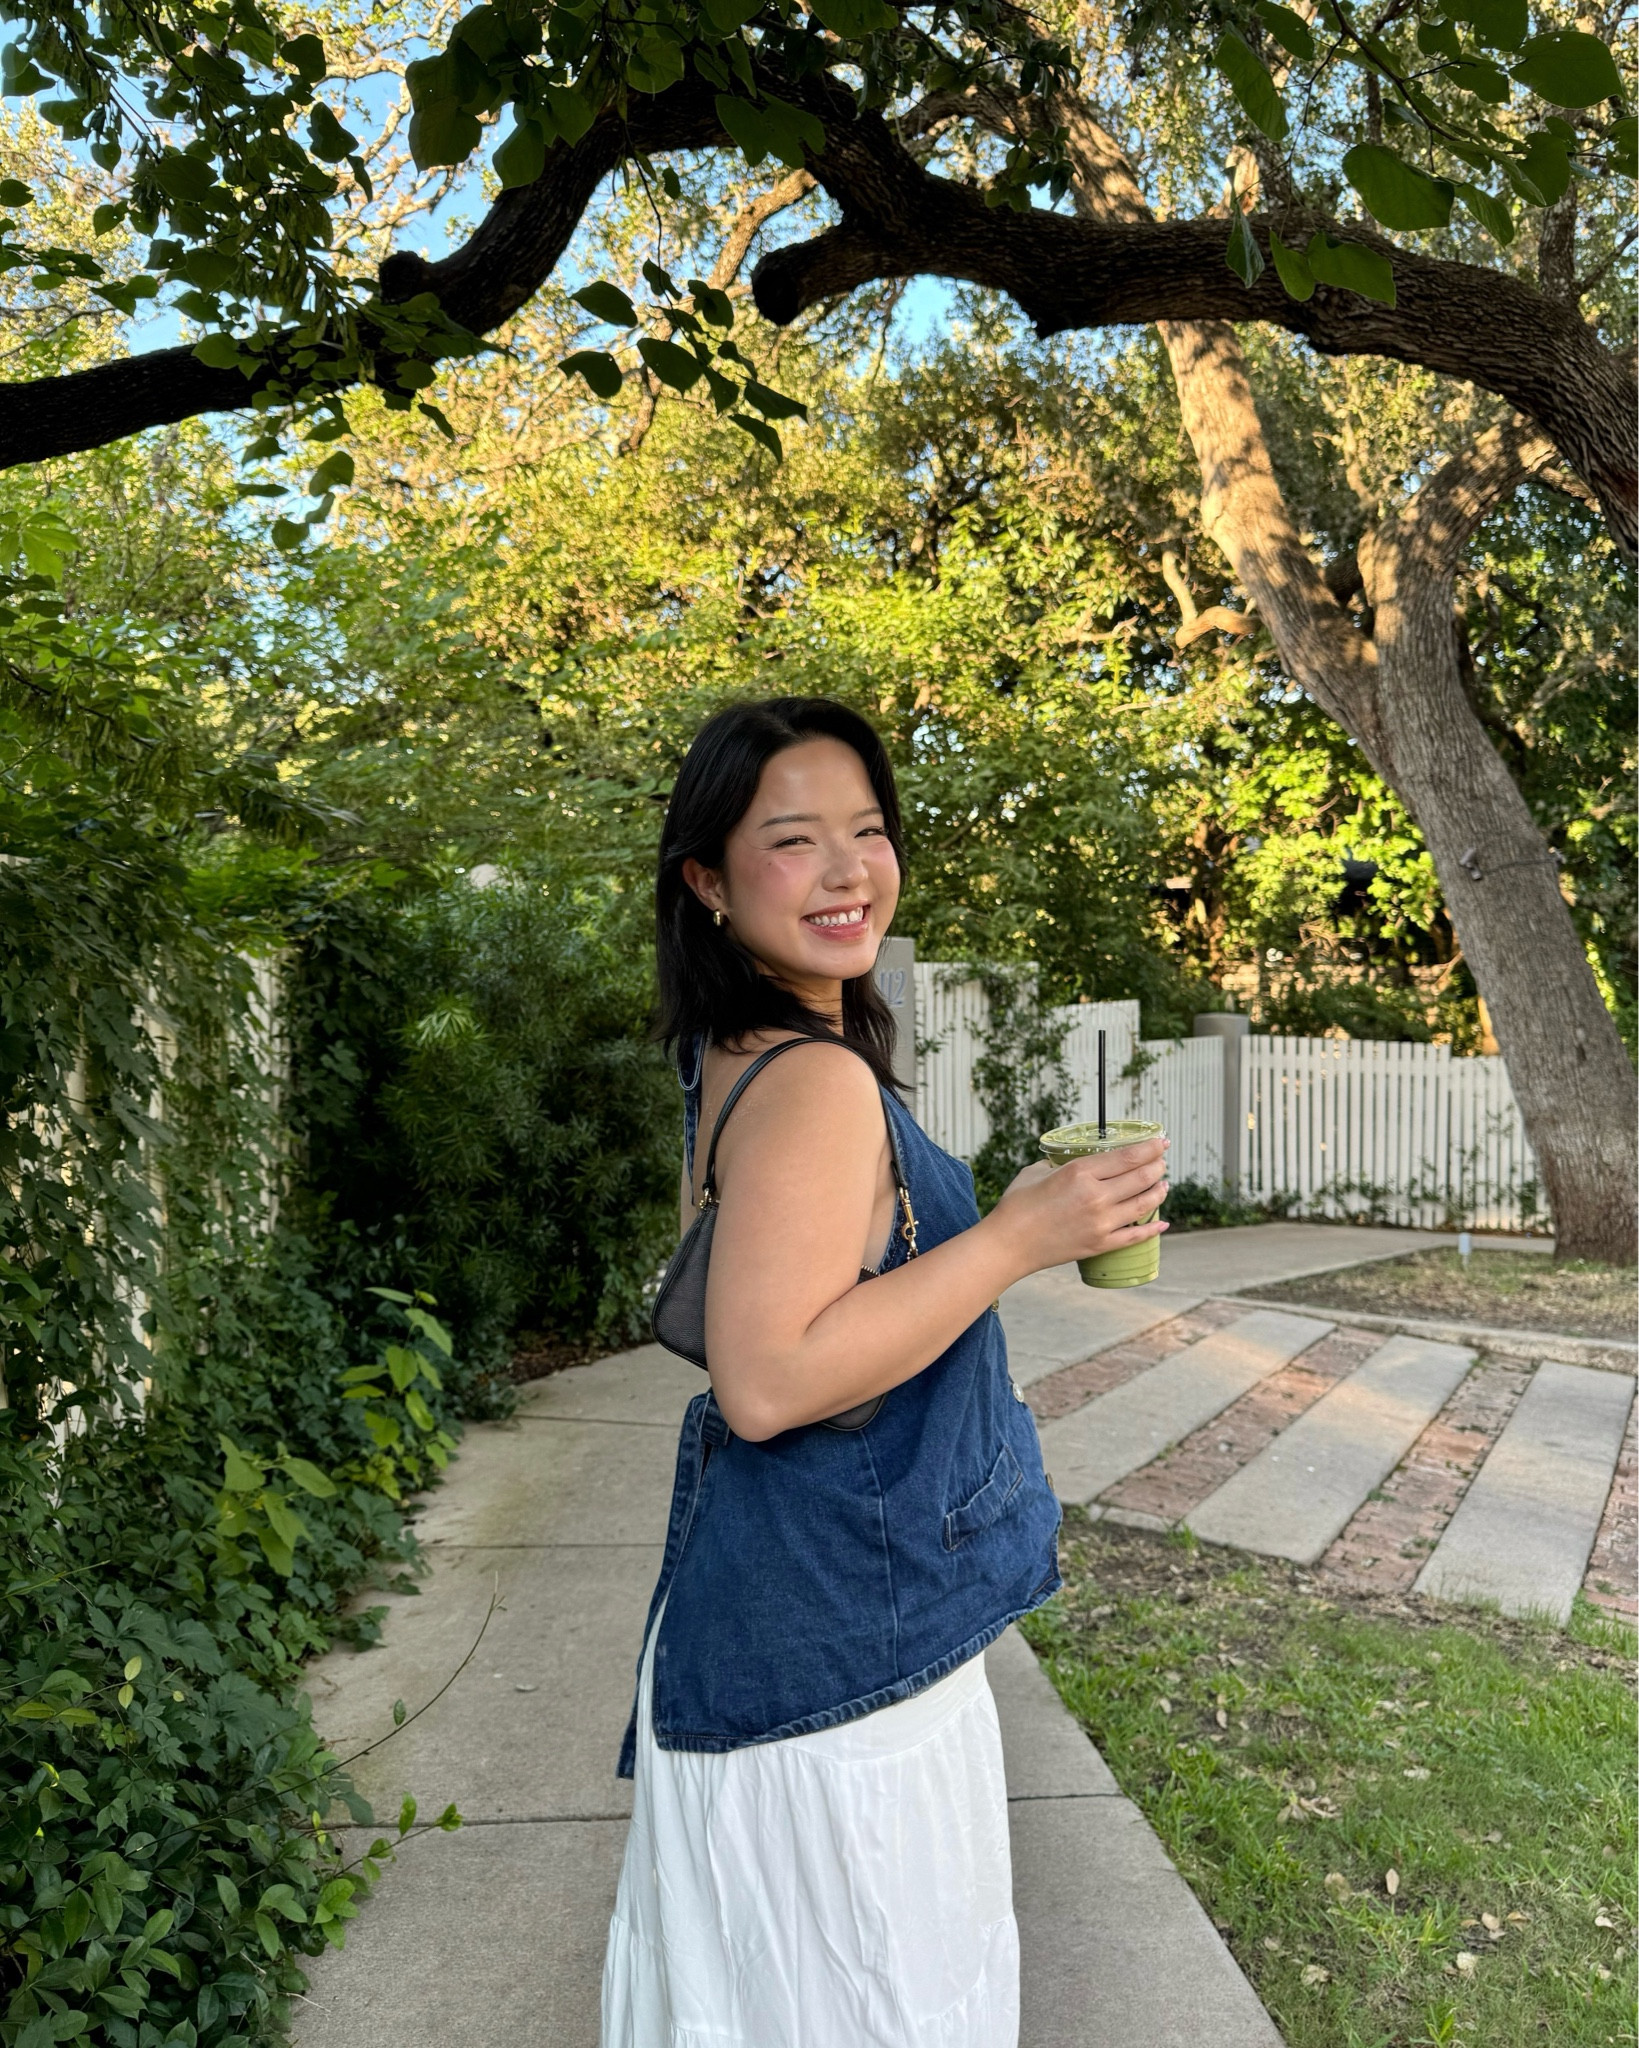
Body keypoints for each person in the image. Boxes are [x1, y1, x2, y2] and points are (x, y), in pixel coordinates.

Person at [600, 697, 1170, 2048]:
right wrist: (1025, 1238)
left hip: (797, 1628)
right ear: (709, 879)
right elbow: (768, 1377)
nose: (851, 871)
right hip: (835, 1660)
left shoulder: (744, 1051)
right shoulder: (812, 1080)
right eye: (794, 840)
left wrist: (1008, 1219)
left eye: (868, 830)